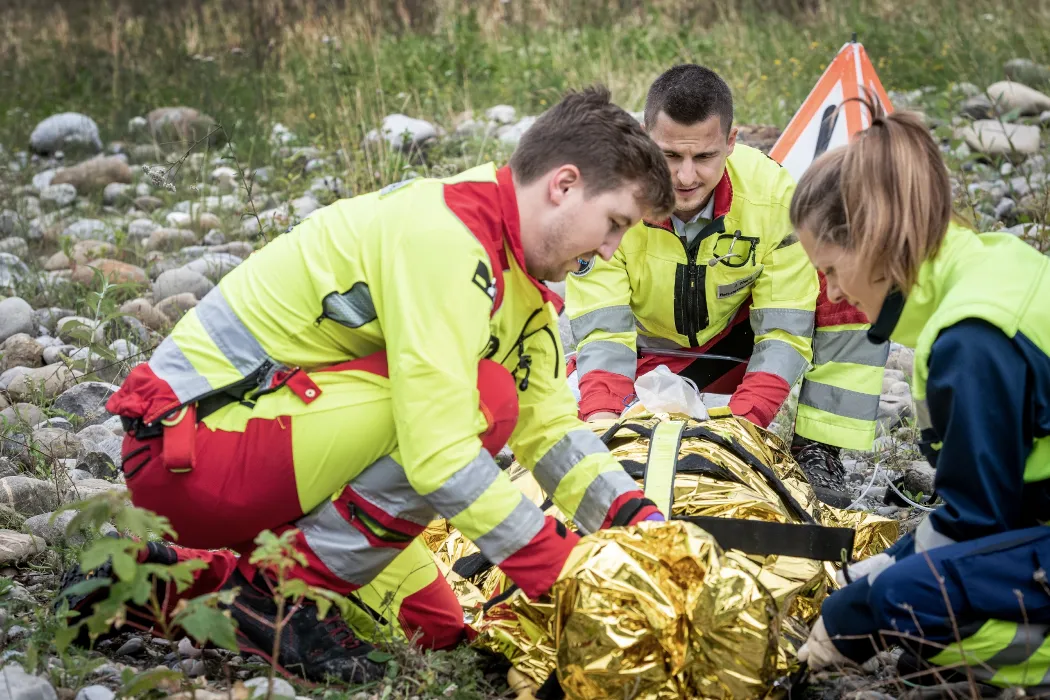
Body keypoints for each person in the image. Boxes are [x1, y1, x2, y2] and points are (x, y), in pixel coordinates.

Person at [67, 86, 673, 684]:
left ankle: (139, 583)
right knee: (484, 399)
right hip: (191, 448)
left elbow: (553, 434)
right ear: (563, 185)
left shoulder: (524, 290)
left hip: (283, 448)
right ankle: (280, 596)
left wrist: (640, 524)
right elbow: (438, 453)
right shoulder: (446, 236)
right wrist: (562, 573)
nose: (611, 249)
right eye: (614, 223)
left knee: (439, 633)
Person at [794, 98, 1050, 689]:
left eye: (830, 268)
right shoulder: (987, 265)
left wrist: (857, 612)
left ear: (875, 238)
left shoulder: (971, 337)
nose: (829, 289)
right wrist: (879, 567)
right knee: (892, 591)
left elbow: (978, 524)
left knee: (908, 606)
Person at [565, 65, 890, 507]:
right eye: (670, 155)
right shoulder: (602, 199)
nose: (684, 178)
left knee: (851, 266)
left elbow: (783, 331)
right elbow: (603, 332)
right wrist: (605, 428)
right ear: (643, 137)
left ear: (732, 142)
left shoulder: (775, 195)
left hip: (734, 353)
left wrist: (741, 431)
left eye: (703, 158)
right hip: (646, 359)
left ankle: (820, 448)